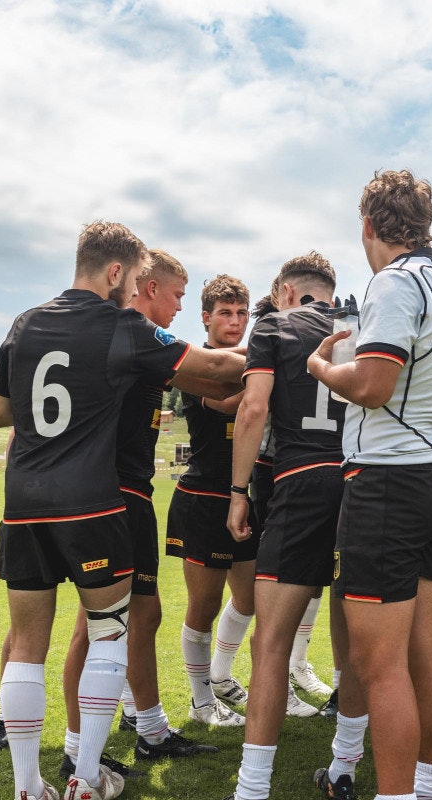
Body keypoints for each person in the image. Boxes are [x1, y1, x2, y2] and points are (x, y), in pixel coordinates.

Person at [0, 220, 245, 800]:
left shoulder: (25, 322)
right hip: (92, 500)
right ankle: (84, 775)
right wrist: (291, 340)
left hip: (22, 499)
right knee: (107, 633)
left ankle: (26, 794)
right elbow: (214, 367)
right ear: (118, 272)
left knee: (26, 644)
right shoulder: (121, 325)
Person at [299, 169, 432, 800]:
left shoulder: (393, 283)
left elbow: (371, 385)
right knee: (426, 650)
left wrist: (320, 364)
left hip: (390, 483)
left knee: (382, 665)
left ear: (369, 224)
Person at [186, 252, 358, 800]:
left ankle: (250, 799)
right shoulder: (360, 328)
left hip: (301, 483)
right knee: (356, 637)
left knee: (272, 641)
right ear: (330, 294)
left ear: (285, 291)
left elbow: (254, 408)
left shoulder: (275, 326)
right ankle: (343, 768)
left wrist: (238, 492)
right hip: (365, 485)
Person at [165, 275, 260, 728]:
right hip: (202, 499)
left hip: (244, 495)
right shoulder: (193, 363)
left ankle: (220, 676)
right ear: (206, 317)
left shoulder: (253, 361)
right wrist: (271, 362)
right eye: (225, 312)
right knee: (202, 606)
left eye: (242, 313)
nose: (235, 321)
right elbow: (228, 403)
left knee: (249, 597)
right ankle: (201, 702)